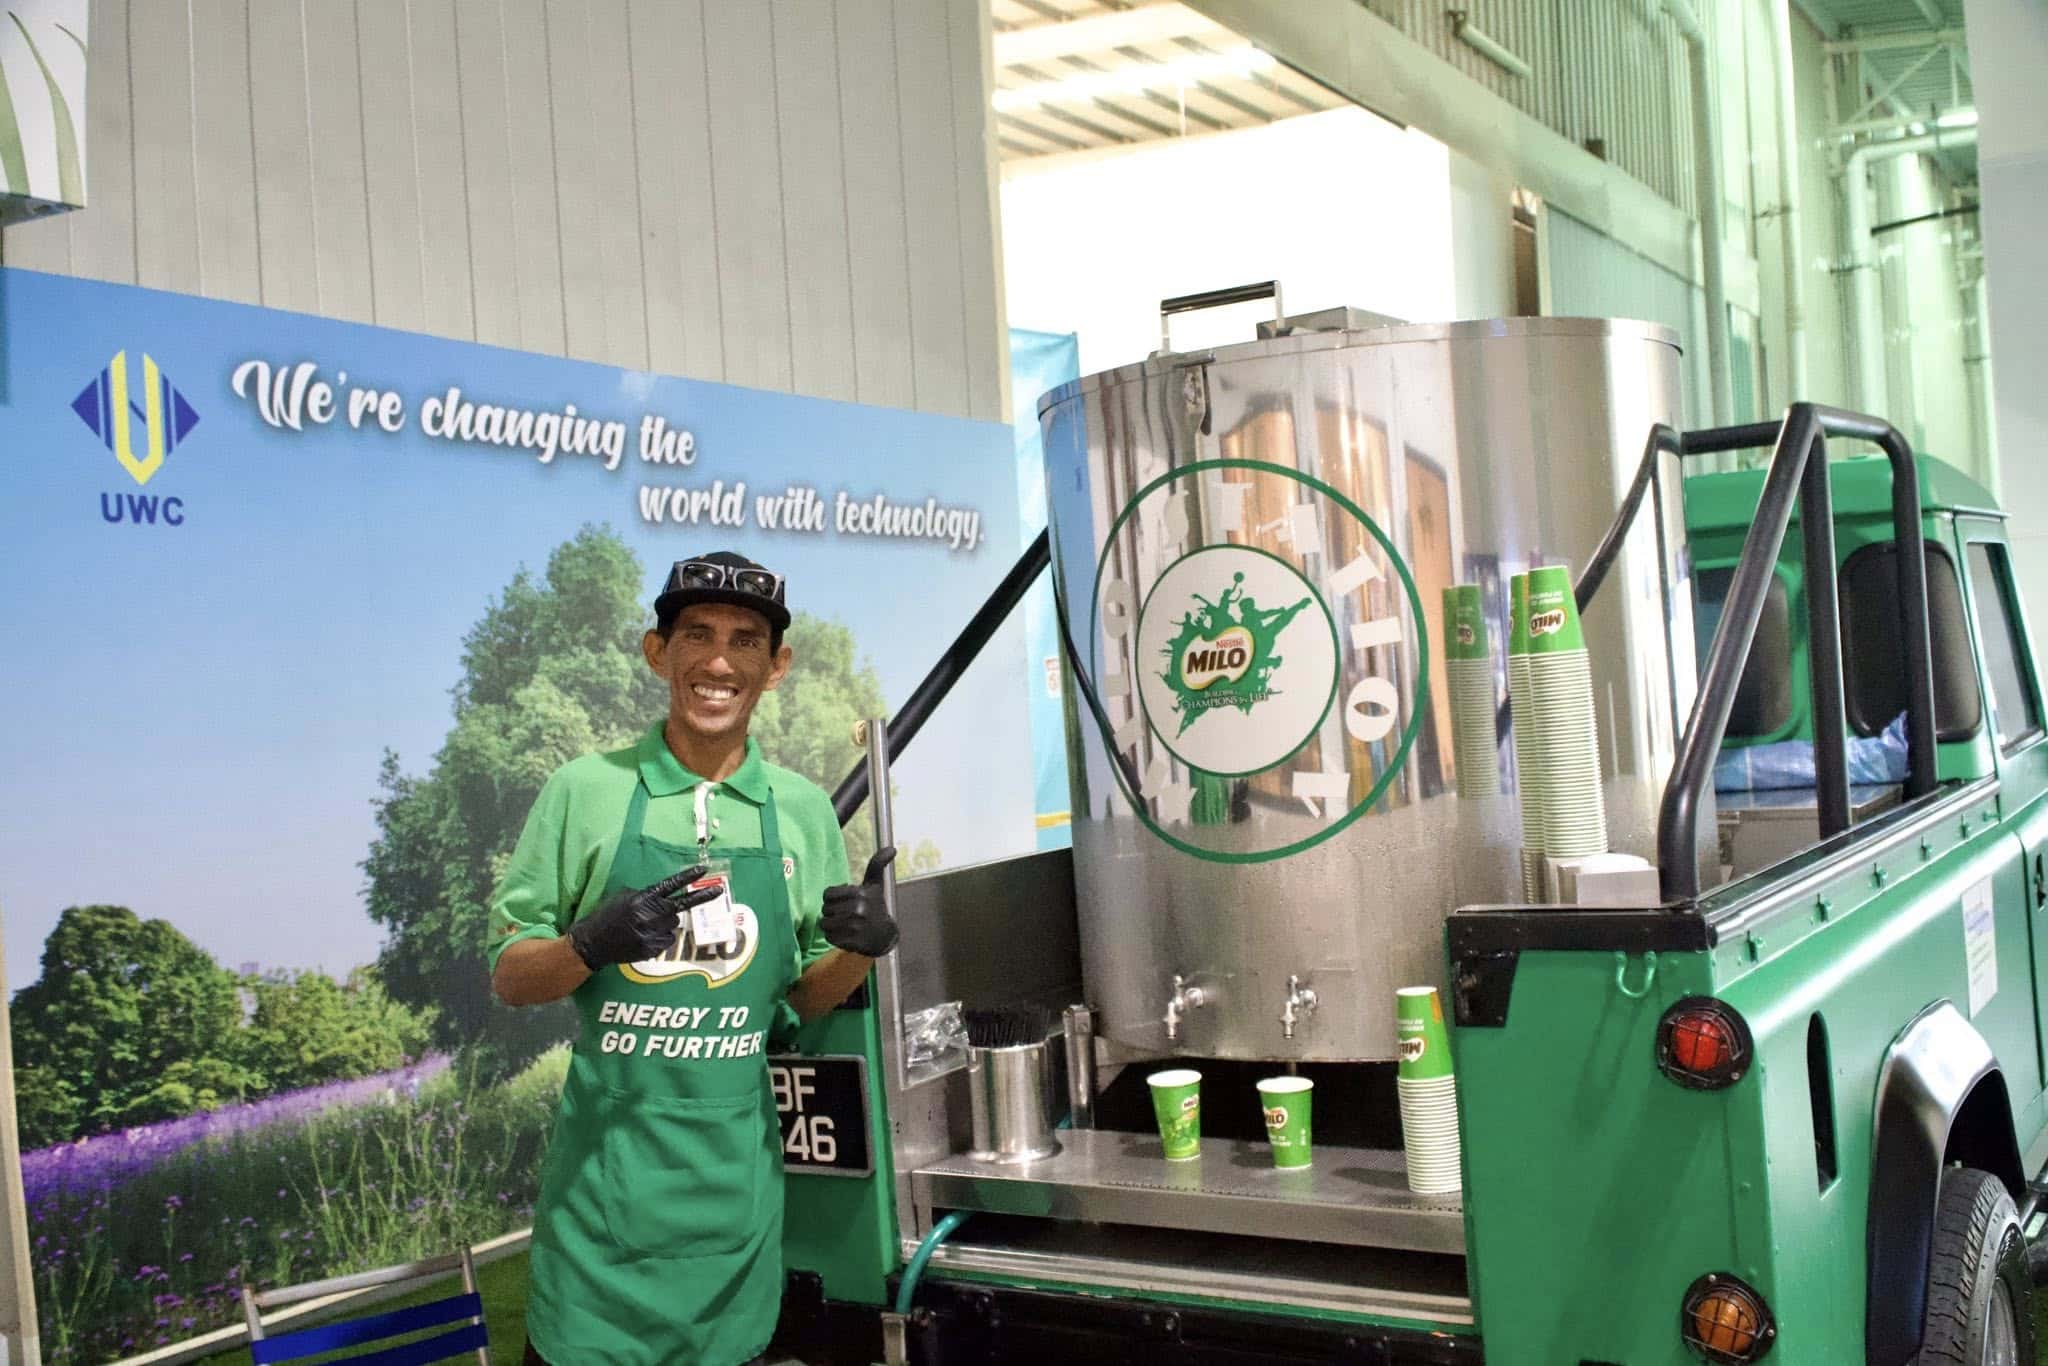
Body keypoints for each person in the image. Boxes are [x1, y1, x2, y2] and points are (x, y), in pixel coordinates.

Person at [487, 551, 899, 1366]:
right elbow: (511, 977)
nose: (719, 662)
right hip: (598, 1228)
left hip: (734, 1220)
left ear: (776, 667)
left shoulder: (802, 810)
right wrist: (586, 945)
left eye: (745, 641)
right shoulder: (584, 791)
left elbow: (799, 999)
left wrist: (862, 951)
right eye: (697, 635)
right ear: (657, 652)